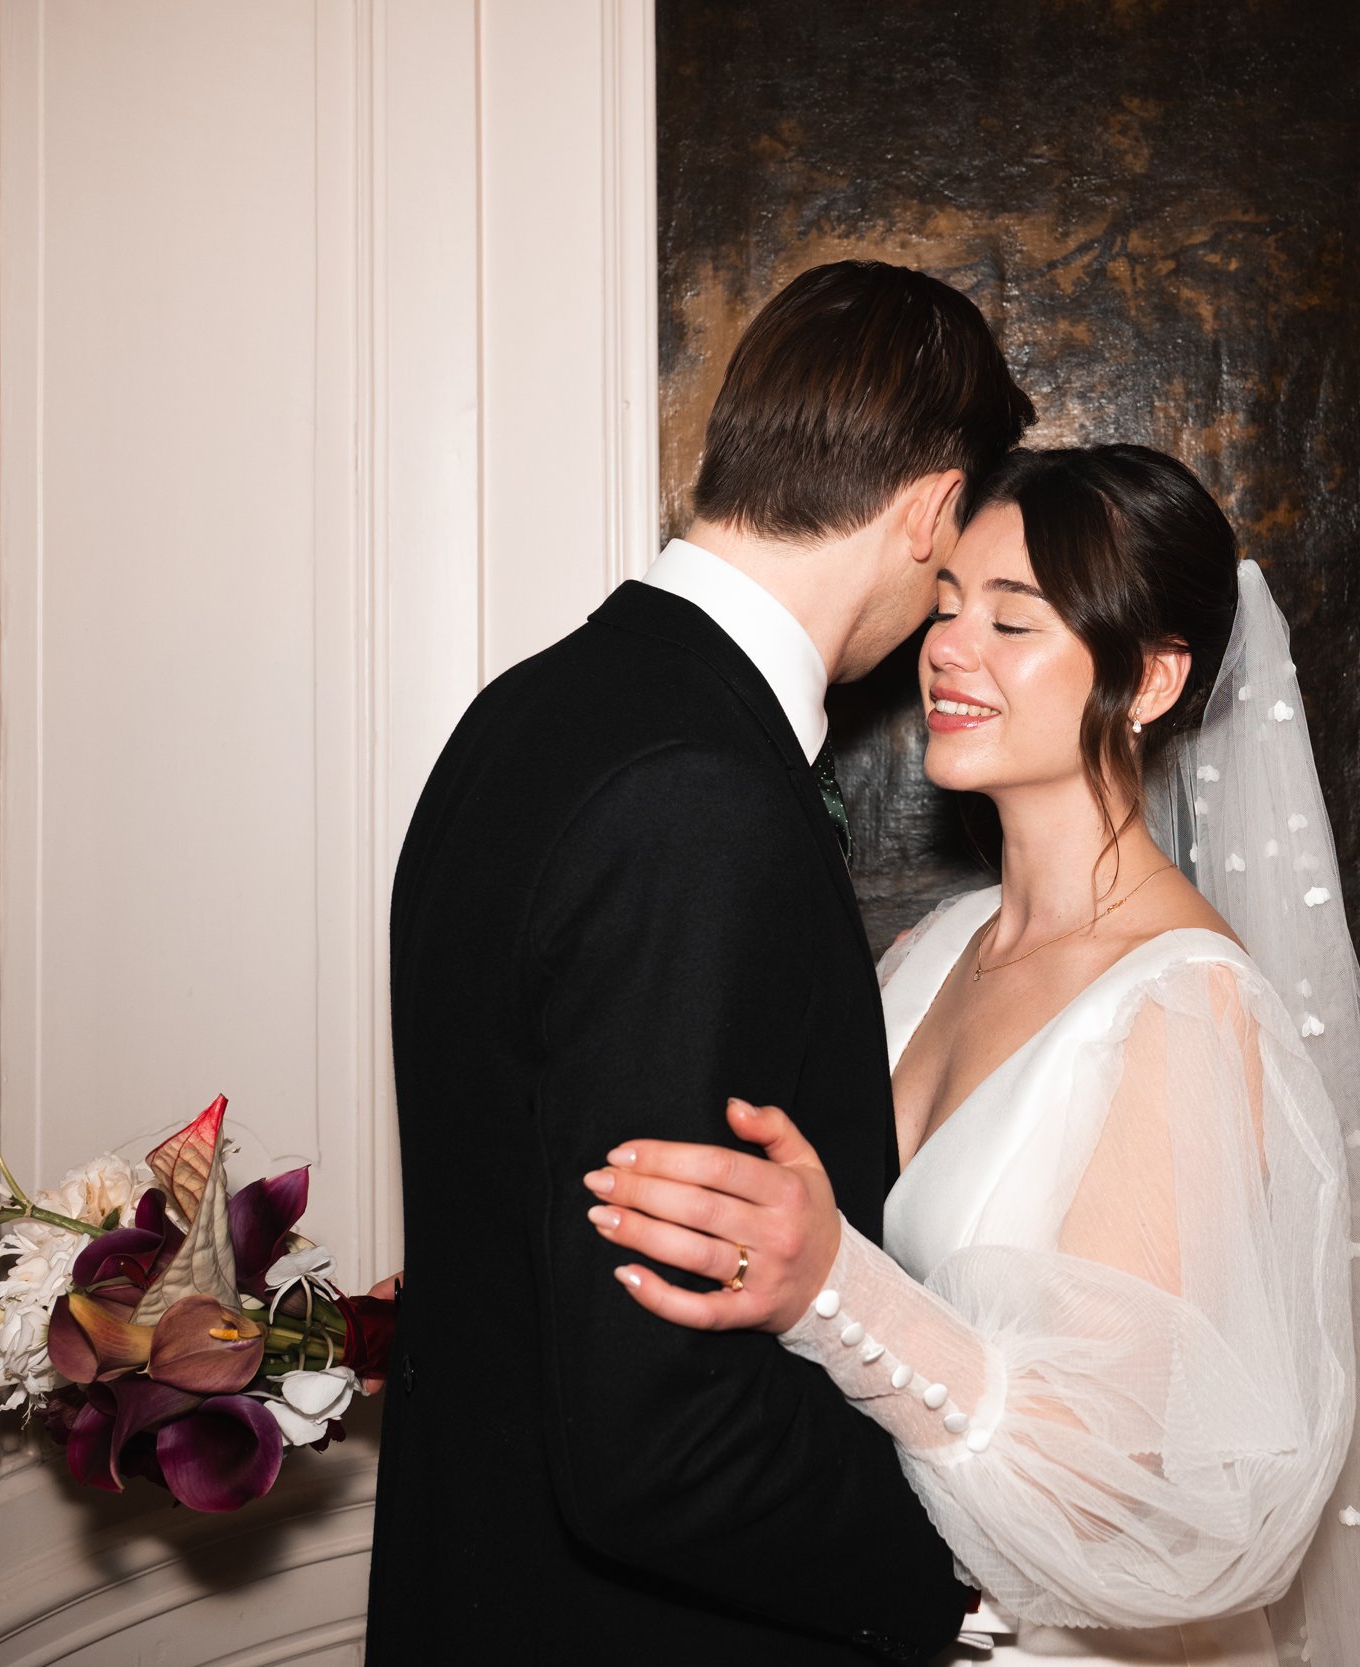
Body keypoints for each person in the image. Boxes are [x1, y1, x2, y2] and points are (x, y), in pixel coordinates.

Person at [587, 448, 1360, 1667]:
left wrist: (835, 1285)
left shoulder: (1184, 1011)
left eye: (1011, 618)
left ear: (1149, 678)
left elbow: (1116, 1499)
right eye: (943, 606)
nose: (949, 648)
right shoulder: (931, 951)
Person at [366, 261, 1034, 1665]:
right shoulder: (697, 795)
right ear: (926, 509)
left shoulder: (526, 710)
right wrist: (961, 1579)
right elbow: (656, 1426)